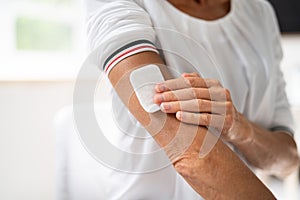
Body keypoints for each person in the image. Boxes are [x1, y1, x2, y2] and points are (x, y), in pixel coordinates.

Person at [84, 0, 299, 199]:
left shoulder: (260, 12)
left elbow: (287, 160)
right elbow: (191, 155)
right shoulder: (119, 3)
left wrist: (239, 128)